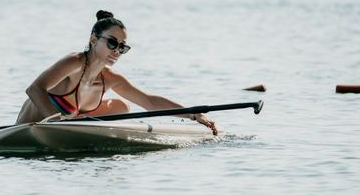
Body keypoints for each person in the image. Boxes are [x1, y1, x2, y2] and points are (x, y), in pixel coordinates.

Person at [16, 10, 218, 135]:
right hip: (25, 130)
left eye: (122, 47)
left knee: (121, 107)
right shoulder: (74, 62)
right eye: (112, 42)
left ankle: (79, 129)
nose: (116, 50)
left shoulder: (111, 78)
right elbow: (34, 89)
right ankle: (69, 126)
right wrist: (56, 123)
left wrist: (194, 114)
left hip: (61, 129)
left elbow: (149, 102)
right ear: (93, 40)